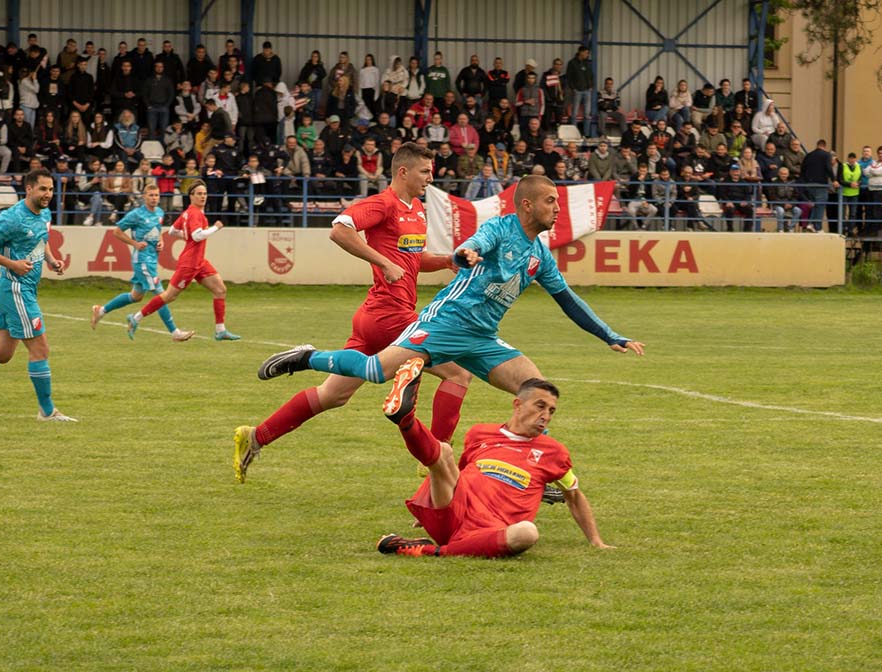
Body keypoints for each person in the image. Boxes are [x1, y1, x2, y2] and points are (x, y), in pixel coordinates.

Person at [254, 174, 644, 414]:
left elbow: (568, 300)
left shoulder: (540, 254)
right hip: (444, 324)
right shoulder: (500, 229)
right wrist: (464, 253)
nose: (557, 209)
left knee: (537, 394)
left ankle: (524, 469)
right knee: (375, 371)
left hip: (482, 338)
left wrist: (611, 335)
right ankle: (307, 357)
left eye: (558, 202)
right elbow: (472, 244)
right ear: (526, 205)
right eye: (550, 201)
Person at [232, 142, 471, 483]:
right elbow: (339, 230)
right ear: (402, 172)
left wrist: (449, 260)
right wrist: (382, 262)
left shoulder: (416, 208)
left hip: (376, 316)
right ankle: (437, 455)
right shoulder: (382, 204)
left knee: (333, 395)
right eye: (424, 171)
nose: (430, 177)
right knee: (459, 374)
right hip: (392, 318)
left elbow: (413, 262)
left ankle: (255, 437)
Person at [376, 376, 612, 558]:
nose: (546, 415)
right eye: (540, 406)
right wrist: (426, 509)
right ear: (517, 404)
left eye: (551, 410)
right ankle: (405, 419)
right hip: (453, 512)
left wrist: (596, 540)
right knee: (444, 451)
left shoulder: (554, 453)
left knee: (527, 533)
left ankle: (423, 549)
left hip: (488, 532)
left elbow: (574, 496)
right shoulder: (480, 433)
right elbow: (455, 472)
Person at [0, 169, 76, 421]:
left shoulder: (44, 213)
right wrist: (12, 264)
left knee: (2, 354)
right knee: (40, 349)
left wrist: (52, 260)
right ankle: (47, 412)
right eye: (43, 189)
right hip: (15, 289)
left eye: (50, 189)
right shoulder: (11, 218)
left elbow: (41, 240)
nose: (48, 194)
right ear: (29, 189)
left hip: (17, 289)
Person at [125, 181, 240, 341]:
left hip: (200, 261)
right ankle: (136, 318)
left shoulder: (188, 212)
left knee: (220, 289)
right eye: (199, 194)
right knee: (169, 296)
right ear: (191, 196)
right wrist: (216, 228)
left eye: (204, 194)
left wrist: (186, 236)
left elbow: (172, 230)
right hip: (190, 263)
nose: (203, 196)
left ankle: (220, 330)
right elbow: (197, 235)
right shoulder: (194, 213)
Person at [90, 183, 194, 341]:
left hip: (152, 259)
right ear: (144, 197)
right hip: (142, 261)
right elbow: (117, 231)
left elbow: (157, 231)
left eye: (156, 195)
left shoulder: (159, 212)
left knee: (136, 296)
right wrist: (135, 244)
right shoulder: (136, 214)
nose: (154, 198)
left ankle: (101, 311)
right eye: (151, 195)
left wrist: (161, 242)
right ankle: (174, 332)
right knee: (162, 295)